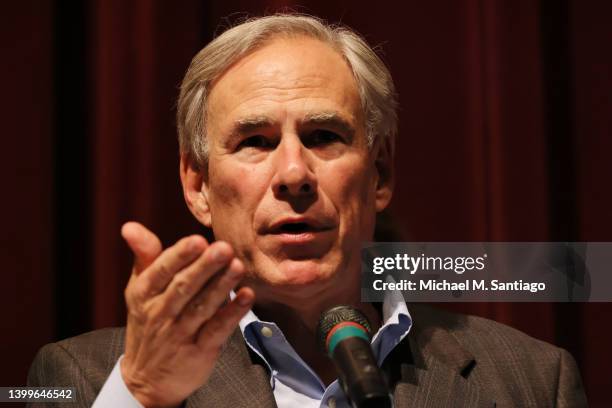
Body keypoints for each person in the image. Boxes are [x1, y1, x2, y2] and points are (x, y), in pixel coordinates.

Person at [28, 14, 587, 407]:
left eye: (323, 136)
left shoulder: (535, 380)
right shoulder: (84, 381)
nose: (294, 174)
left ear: (381, 175)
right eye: (255, 141)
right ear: (197, 185)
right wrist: (143, 396)